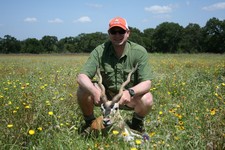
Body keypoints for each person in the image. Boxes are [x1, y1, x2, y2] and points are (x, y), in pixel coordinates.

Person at [76, 16, 153, 133]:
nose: (117, 35)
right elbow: (81, 77)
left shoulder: (139, 52)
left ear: (128, 33)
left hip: (128, 98)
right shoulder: (100, 51)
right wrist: (95, 91)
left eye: (121, 31)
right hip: (105, 98)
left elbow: (147, 83)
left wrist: (130, 92)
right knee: (83, 90)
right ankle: (90, 124)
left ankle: (136, 125)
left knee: (147, 98)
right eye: (113, 32)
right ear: (109, 34)